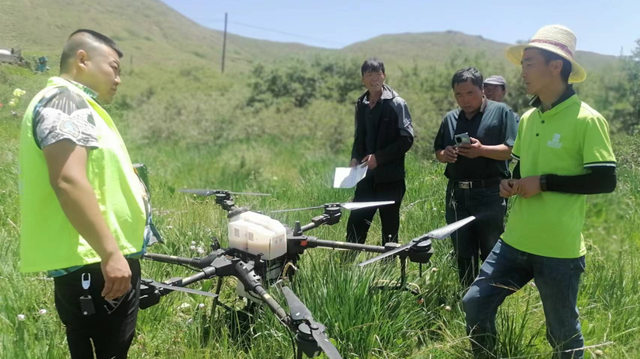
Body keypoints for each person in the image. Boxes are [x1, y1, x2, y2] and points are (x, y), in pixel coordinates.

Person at [462, 25, 617, 359]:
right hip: (515, 239)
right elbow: (520, 169)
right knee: (474, 303)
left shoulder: (587, 120)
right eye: (523, 63)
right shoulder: (529, 117)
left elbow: (605, 180)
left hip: (558, 249)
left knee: (562, 335)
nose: (522, 71)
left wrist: (544, 183)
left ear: (555, 66)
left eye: (529, 62)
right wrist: (511, 184)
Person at [19, 29, 147, 359]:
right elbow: (68, 180)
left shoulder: (76, 103)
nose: (118, 79)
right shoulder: (65, 101)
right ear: (82, 59)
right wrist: (111, 254)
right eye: (114, 68)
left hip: (94, 259)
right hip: (94, 261)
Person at [433, 67, 518, 288]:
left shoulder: (501, 112)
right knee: (462, 248)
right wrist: (447, 154)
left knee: (491, 247)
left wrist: (482, 150)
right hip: (457, 193)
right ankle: (466, 294)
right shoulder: (450, 118)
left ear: (482, 90)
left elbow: (512, 150)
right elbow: (438, 152)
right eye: (459, 95)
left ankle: (490, 297)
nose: (464, 100)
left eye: (470, 93)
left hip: (490, 191)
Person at [346, 57, 414, 245]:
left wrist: (379, 158)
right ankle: (347, 263)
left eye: (378, 74)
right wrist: (354, 157)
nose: (374, 78)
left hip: (390, 178)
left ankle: (388, 264)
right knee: (357, 220)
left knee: (389, 226)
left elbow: (407, 139)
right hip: (365, 176)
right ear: (363, 80)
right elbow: (359, 136)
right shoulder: (361, 104)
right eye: (369, 75)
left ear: (384, 76)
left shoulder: (397, 103)